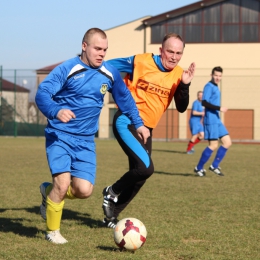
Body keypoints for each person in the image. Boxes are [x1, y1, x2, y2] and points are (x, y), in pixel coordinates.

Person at [35, 28, 150, 244]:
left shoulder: (109, 72)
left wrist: (139, 124)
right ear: (84, 46)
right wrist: (56, 111)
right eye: (97, 48)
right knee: (62, 184)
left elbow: (125, 99)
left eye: (105, 50)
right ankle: (52, 231)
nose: (102, 54)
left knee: (84, 190)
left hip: (86, 140)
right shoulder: (67, 69)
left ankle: (48, 193)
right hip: (60, 135)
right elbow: (42, 93)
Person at [101, 33, 196, 228]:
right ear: (161, 50)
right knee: (146, 168)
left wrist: (185, 84)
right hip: (127, 122)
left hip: (147, 130)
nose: (174, 56)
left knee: (140, 176)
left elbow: (181, 107)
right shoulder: (140, 61)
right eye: (170, 51)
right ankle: (111, 191)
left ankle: (111, 216)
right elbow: (107, 66)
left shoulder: (179, 74)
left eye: (179, 53)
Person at [194, 66, 232, 177]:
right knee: (213, 145)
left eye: (220, 76)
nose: (218, 78)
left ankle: (214, 166)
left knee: (227, 142)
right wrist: (219, 108)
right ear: (211, 75)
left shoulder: (216, 87)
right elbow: (204, 103)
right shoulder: (209, 86)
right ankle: (199, 168)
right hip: (211, 120)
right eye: (216, 75)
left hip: (217, 120)